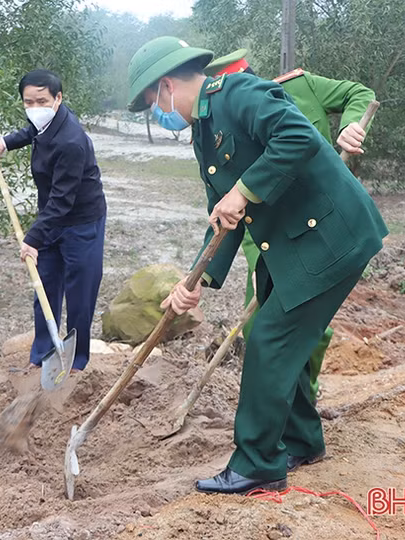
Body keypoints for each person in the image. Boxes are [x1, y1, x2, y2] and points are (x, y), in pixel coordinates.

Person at [126, 37, 388, 494]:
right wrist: (197, 281)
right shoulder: (204, 133)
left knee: (270, 340)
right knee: (274, 337)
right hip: (292, 243)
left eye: (153, 103)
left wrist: (244, 191)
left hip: (331, 237)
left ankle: (257, 466)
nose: (158, 113)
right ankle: (301, 440)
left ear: (167, 85)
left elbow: (298, 136)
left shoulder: (239, 94)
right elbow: (222, 216)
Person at [204, 49, 377, 405]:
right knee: (261, 330)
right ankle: (288, 416)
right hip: (274, 238)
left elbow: (359, 94)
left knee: (307, 330)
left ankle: (304, 405)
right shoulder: (228, 126)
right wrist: (255, 266)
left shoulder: (300, 87)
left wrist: (351, 126)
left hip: (327, 229)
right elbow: (237, 202)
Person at [0, 69, 106, 372]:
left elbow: (62, 200)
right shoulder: (44, 121)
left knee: (80, 293)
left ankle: (77, 363)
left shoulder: (72, 141)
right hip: (52, 217)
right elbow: (31, 130)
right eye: (28, 102)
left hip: (81, 220)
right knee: (44, 285)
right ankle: (42, 355)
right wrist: (4, 143)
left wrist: (32, 239)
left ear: (58, 99)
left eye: (41, 101)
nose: (34, 108)